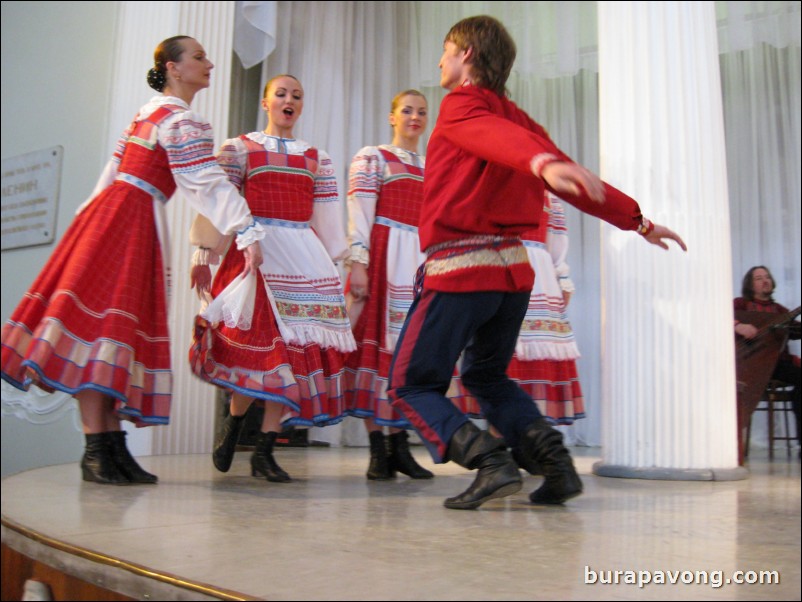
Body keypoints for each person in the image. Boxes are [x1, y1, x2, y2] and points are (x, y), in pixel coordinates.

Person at [387, 15, 687, 510]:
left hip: (463, 268)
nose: (439, 60)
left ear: (466, 56)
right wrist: (636, 221)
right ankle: (556, 464)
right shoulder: (519, 119)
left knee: (410, 383)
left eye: (445, 50)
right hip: (512, 277)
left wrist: (541, 163)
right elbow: (570, 173)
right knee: (486, 376)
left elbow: (512, 146)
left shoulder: (463, 106)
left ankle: (490, 462)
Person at [0, 36, 264, 485]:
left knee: (111, 330)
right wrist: (247, 227)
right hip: (126, 220)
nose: (210, 63)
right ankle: (97, 447)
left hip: (117, 217)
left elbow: (113, 173)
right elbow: (204, 182)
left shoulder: (148, 113)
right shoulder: (181, 120)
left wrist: (86, 222)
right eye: (199, 57)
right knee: (103, 327)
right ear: (173, 67)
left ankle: (108, 444)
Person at [189, 74, 355, 483]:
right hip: (256, 257)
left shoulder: (317, 158)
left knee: (292, 357)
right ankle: (234, 425)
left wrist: (340, 262)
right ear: (265, 103)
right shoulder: (239, 149)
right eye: (281, 94)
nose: (289, 100)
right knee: (257, 351)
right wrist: (203, 253)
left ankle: (265, 449)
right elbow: (219, 202)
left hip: (301, 257)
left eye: (297, 95)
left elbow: (328, 216)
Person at [455, 192, 586, 474]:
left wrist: (562, 278)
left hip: (538, 275)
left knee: (529, 366)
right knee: (499, 362)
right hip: (502, 267)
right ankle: (500, 447)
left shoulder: (550, 199)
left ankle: (522, 446)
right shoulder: (494, 186)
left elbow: (557, 242)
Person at [344, 89, 435, 481]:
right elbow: (359, 212)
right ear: (392, 116)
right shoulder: (374, 158)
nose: (415, 117)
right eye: (407, 110)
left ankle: (400, 445)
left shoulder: (434, 167)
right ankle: (378, 448)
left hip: (419, 262)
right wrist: (359, 263)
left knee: (408, 354)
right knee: (376, 349)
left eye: (422, 112)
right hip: (384, 256)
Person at [734, 266, 801, 454]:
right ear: (750, 284)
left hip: (776, 365)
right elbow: (720, 317)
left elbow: (795, 330)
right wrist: (739, 326)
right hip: (748, 365)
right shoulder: (740, 304)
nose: (765, 280)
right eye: (758, 278)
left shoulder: (780, 311)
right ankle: (731, 445)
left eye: (767, 277)